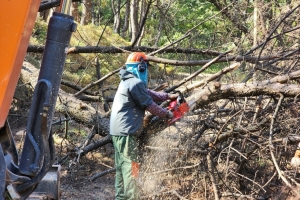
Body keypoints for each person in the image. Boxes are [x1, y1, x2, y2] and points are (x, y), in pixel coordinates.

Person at [109, 52, 178, 200]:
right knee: (131, 167)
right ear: (140, 67)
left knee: (122, 167)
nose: (146, 71)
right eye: (145, 67)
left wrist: (167, 96)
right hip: (127, 132)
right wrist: (168, 114)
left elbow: (148, 93)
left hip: (118, 131)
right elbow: (149, 104)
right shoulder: (134, 83)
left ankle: (121, 197)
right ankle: (132, 197)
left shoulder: (128, 81)